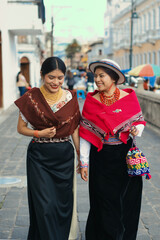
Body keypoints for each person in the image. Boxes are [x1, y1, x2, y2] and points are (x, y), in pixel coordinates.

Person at [14, 57, 81, 240]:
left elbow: (74, 128)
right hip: (39, 157)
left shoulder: (69, 97)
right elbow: (21, 128)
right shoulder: (31, 98)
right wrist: (39, 134)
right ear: (42, 75)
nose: (56, 82)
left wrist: (81, 158)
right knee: (44, 206)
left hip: (64, 158)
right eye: (51, 77)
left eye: (60, 78)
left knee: (62, 204)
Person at [79, 59, 146, 240]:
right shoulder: (91, 101)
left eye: (102, 76)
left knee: (127, 201)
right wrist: (84, 163)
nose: (97, 79)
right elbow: (85, 133)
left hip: (125, 157)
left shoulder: (129, 97)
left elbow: (139, 122)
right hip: (101, 157)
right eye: (96, 76)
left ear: (114, 78)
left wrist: (135, 129)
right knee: (103, 202)